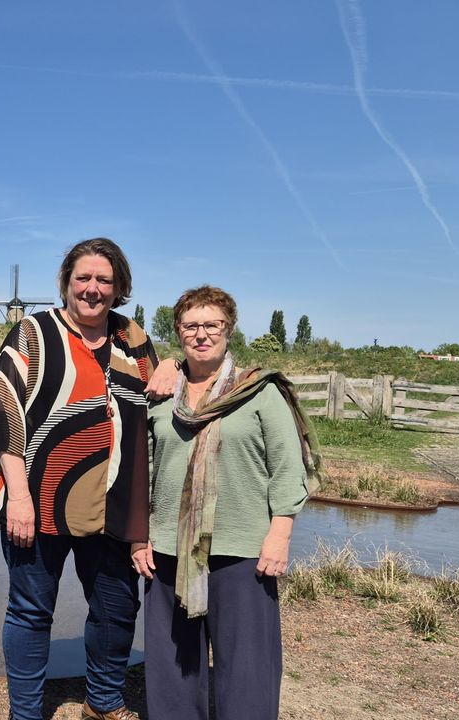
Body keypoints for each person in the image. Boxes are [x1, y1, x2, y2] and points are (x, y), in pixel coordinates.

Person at [0, 237, 179, 720]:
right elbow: (6, 415)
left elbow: (158, 397)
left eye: (104, 280)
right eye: (83, 278)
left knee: (116, 610)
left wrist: (174, 364)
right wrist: (20, 500)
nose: (93, 289)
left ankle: (105, 699)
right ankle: (25, 713)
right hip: (39, 499)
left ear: (119, 287)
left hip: (114, 504)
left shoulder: (132, 338)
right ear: (67, 283)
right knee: (31, 611)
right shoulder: (32, 333)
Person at [132, 285, 320, 720]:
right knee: (174, 667)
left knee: (247, 667)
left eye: (211, 324)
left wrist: (280, 535)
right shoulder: (161, 395)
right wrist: (137, 538)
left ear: (228, 329)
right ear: (178, 332)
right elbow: (144, 471)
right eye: (191, 325)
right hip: (167, 549)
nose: (201, 334)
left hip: (243, 551)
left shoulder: (261, 392)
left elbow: (288, 469)